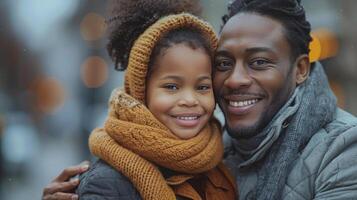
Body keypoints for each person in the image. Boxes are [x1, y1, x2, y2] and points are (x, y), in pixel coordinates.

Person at [42, 0, 357, 199]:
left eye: (259, 62)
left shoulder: (344, 149)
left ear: (300, 68)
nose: (234, 79)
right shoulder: (216, 150)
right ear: (141, 91)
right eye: (223, 64)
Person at [73, 0, 237, 199]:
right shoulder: (107, 183)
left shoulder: (223, 161)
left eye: (202, 87)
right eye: (172, 87)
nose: (189, 100)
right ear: (141, 92)